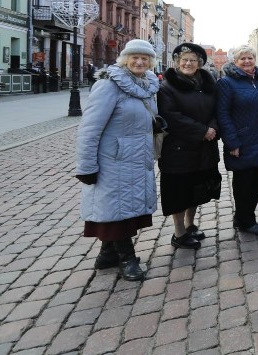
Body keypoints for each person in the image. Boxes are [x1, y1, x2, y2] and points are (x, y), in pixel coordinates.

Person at [75, 39, 160, 282]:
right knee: (117, 209)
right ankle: (127, 259)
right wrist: (86, 166)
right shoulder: (108, 86)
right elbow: (89, 128)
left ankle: (107, 255)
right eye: (135, 57)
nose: (140, 62)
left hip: (136, 157)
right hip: (113, 160)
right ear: (125, 59)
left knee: (124, 208)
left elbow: (140, 116)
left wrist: (156, 122)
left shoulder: (146, 84)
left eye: (145, 58)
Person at [157, 43, 222, 250]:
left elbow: (217, 110)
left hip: (203, 148)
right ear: (176, 63)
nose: (188, 63)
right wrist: (202, 131)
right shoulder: (167, 87)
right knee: (179, 192)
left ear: (199, 63)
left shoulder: (208, 84)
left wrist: (212, 127)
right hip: (178, 150)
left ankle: (190, 225)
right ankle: (179, 234)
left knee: (196, 189)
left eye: (192, 60)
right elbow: (171, 117)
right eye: (183, 60)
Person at [216, 45, 258, 235]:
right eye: (242, 58)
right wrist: (232, 142)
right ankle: (247, 221)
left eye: (250, 58)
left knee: (256, 183)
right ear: (235, 62)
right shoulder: (227, 83)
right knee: (243, 184)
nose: (247, 61)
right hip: (241, 141)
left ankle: (242, 217)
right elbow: (222, 114)